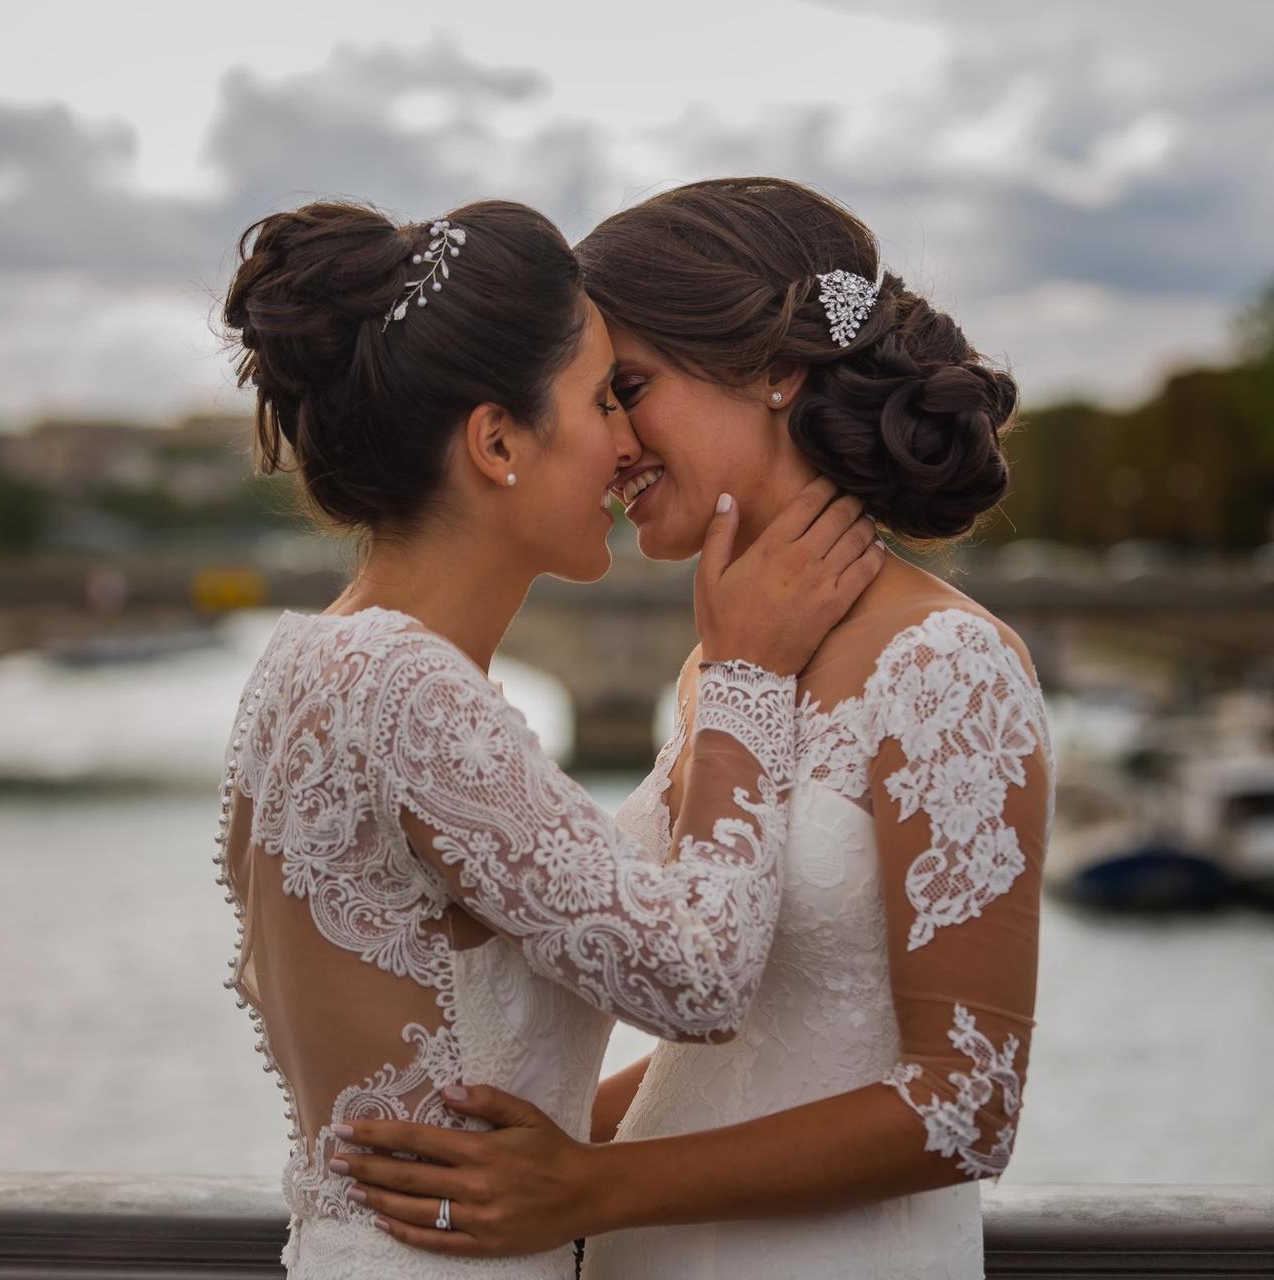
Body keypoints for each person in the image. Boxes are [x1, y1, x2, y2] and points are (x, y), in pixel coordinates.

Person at [326, 178, 1054, 1280]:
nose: (610, 440)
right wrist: (517, 1150)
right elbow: (733, 1043)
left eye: (627, 387)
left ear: (773, 371)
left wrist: (585, 1184)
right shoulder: (721, 660)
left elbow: (966, 1103)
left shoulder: (944, 665)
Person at [214, 195, 884, 1279]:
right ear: (496, 441)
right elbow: (697, 982)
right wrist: (746, 678)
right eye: (598, 401)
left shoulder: (310, 662)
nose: (627, 446)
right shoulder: (404, 688)